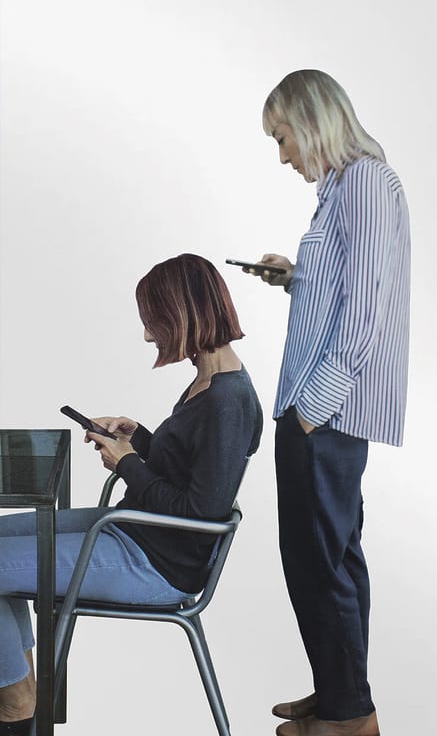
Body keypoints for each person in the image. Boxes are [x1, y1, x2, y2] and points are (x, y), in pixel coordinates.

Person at [0, 253, 263, 735]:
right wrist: (136, 435)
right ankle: (20, 692)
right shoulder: (207, 383)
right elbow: (188, 469)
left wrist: (128, 465)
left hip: (156, 564)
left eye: (154, 321)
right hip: (135, 532)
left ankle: (15, 706)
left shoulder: (227, 402)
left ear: (183, 314)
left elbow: (200, 510)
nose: (148, 335)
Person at [246, 69, 410, 736]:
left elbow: (366, 309)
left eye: (283, 136)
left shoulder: (366, 181)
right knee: (330, 557)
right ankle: (341, 690)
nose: (282, 154)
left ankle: (349, 716)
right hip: (321, 408)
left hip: (326, 412)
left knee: (321, 561)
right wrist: (295, 277)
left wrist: (313, 407)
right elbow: (342, 289)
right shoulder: (343, 187)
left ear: (312, 122)